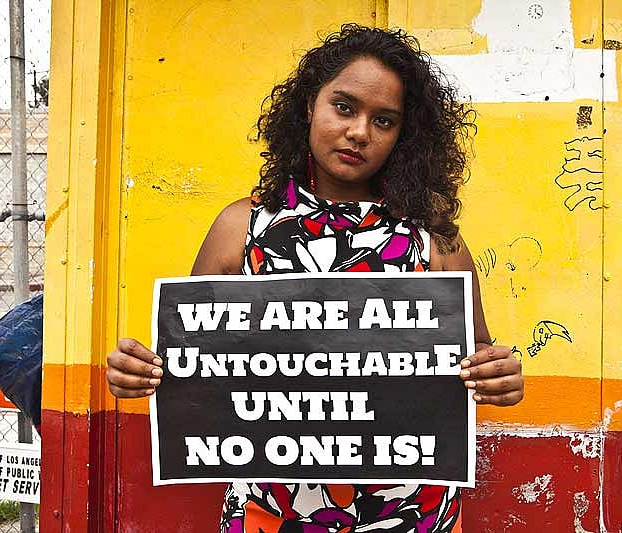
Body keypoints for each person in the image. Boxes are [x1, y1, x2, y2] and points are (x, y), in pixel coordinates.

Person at [106, 24, 524, 533]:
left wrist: (498, 376)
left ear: (404, 135)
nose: (360, 132)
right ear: (309, 105)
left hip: (411, 516)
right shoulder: (241, 228)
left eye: (384, 120)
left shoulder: (434, 240)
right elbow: (189, 365)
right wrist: (138, 372)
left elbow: (477, 356)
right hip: (271, 515)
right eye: (344, 107)